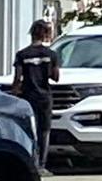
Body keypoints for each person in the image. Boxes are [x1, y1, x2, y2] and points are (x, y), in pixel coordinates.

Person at [11, 17, 63, 156]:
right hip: (45, 97)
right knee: (44, 130)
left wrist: (13, 94)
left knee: (29, 128)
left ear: (32, 33)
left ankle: (31, 157)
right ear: (45, 34)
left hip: (28, 96)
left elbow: (17, 79)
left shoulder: (22, 54)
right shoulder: (51, 55)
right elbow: (56, 77)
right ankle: (42, 162)